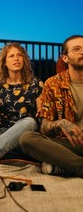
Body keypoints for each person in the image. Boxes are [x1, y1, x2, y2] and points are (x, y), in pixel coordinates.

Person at [20, 35, 83, 177]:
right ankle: (79, 166)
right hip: (68, 144)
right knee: (27, 138)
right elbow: (44, 127)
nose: (82, 52)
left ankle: (66, 165)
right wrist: (59, 123)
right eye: (77, 49)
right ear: (65, 58)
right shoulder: (53, 83)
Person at [0, 43, 43, 158]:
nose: (16, 58)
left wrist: (42, 115)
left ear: (24, 59)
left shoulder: (35, 84)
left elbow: (42, 114)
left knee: (30, 121)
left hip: (25, 134)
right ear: (4, 62)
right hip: (3, 132)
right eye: (11, 56)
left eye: (19, 55)